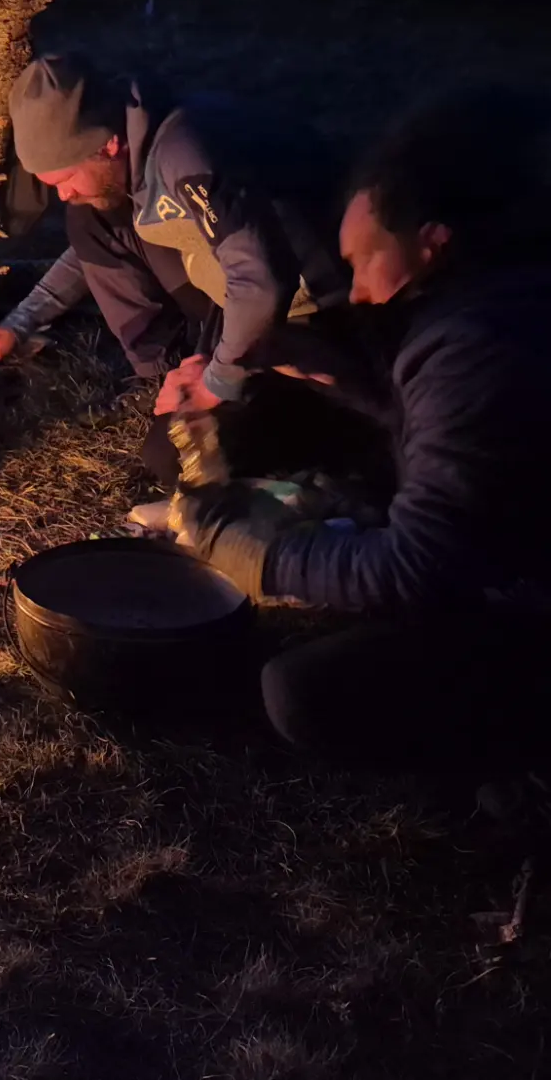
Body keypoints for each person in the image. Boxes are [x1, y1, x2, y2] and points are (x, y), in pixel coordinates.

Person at [174, 84, 551, 780]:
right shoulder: (497, 293)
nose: (356, 289)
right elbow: (448, 432)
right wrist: (330, 373)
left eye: (360, 264)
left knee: (301, 692)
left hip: (527, 599)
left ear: (433, 242)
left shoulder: (476, 343)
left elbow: (420, 566)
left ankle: (514, 766)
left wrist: (264, 557)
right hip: (511, 542)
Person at [0, 53, 358, 484]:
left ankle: (330, 423)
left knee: (176, 460)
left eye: (64, 178)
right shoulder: (129, 151)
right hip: (232, 291)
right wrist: (18, 325)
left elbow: (262, 281)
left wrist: (216, 381)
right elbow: (89, 251)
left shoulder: (184, 152)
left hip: (310, 305)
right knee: (87, 214)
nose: (61, 193)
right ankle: (176, 365)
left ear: (106, 144)